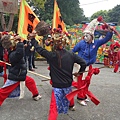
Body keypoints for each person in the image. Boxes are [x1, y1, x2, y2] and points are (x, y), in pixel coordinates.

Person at [30, 29, 86, 120]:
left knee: (54, 107)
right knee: (68, 94)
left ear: (54, 44)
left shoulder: (51, 55)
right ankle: (71, 106)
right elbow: (83, 63)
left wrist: (33, 39)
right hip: (68, 83)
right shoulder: (71, 54)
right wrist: (80, 73)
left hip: (57, 85)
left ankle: (66, 108)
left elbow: (40, 50)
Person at [72, 17, 113, 106]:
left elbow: (106, 39)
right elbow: (72, 51)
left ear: (92, 36)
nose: (85, 37)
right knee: (81, 83)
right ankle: (80, 98)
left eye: (87, 35)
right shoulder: (81, 43)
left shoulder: (96, 43)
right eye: (85, 35)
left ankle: (84, 95)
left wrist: (110, 31)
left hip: (89, 66)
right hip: (81, 66)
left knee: (87, 82)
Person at [0, 35, 42, 106]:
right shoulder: (13, 54)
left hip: (20, 74)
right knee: (4, 91)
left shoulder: (13, 50)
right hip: (16, 76)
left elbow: (20, 52)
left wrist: (21, 44)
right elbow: (19, 54)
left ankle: (36, 95)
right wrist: (20, 42)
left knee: (31, 82)